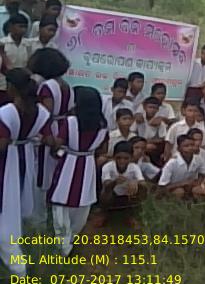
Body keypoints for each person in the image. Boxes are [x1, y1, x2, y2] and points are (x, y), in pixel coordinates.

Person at [0, 68, 51, 276]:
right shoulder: (41, 113)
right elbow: (49, 139)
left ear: (12, 88)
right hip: (26, 159)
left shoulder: (7, 112)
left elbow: (2, 145)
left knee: (6, 211)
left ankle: (18, 268)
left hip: (6, 164)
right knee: (18, 205)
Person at [47, 86, 109, 257]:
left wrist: (54, 149)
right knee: (83, 204)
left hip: (69, 163)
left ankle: (63, 246)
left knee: (61, 203)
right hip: (88, 164)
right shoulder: (103, 125)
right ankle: (72, 239)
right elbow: (103, 149)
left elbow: (58, 144)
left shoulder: (71, 122)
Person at [29, 48, 74, 227]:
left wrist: (45, 134)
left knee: (41, 175)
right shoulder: (66, 86)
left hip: (49, 131)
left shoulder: (47, 87)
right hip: (62, 129)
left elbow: (45, 114)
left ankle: (38, 219)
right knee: (54, 172)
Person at [100, 141, 147, 218]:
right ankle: (105, 212)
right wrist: (115, 182)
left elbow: (143, 183)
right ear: (113, 157)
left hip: (127, 194)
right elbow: (105, 184)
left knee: (142, 188)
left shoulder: (134, 167)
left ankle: (132, 213)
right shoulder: (107, 167)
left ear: (131, 158)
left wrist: (136, 182)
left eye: (126, 158)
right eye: (118, 158)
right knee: (106, 191)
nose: (122, 161)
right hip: (112, 195)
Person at [158, 134, 205, 198]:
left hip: (189, 187)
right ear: (178, 149)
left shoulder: (198, 159)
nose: (190, 148)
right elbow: (162, 187)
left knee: (199, 189)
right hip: (172, 189)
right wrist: (182, 183)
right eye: (186, 146)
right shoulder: (172, 163)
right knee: (179, 191)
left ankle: (196, 202)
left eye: (192, 145)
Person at [0, 14, 33, 105]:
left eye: (25, 27)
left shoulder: (28, 44)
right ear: (11, 27)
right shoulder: (3, 43)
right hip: (4, 85)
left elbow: (29, 63)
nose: (23, 30)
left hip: (21, 85)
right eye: (20, 26)